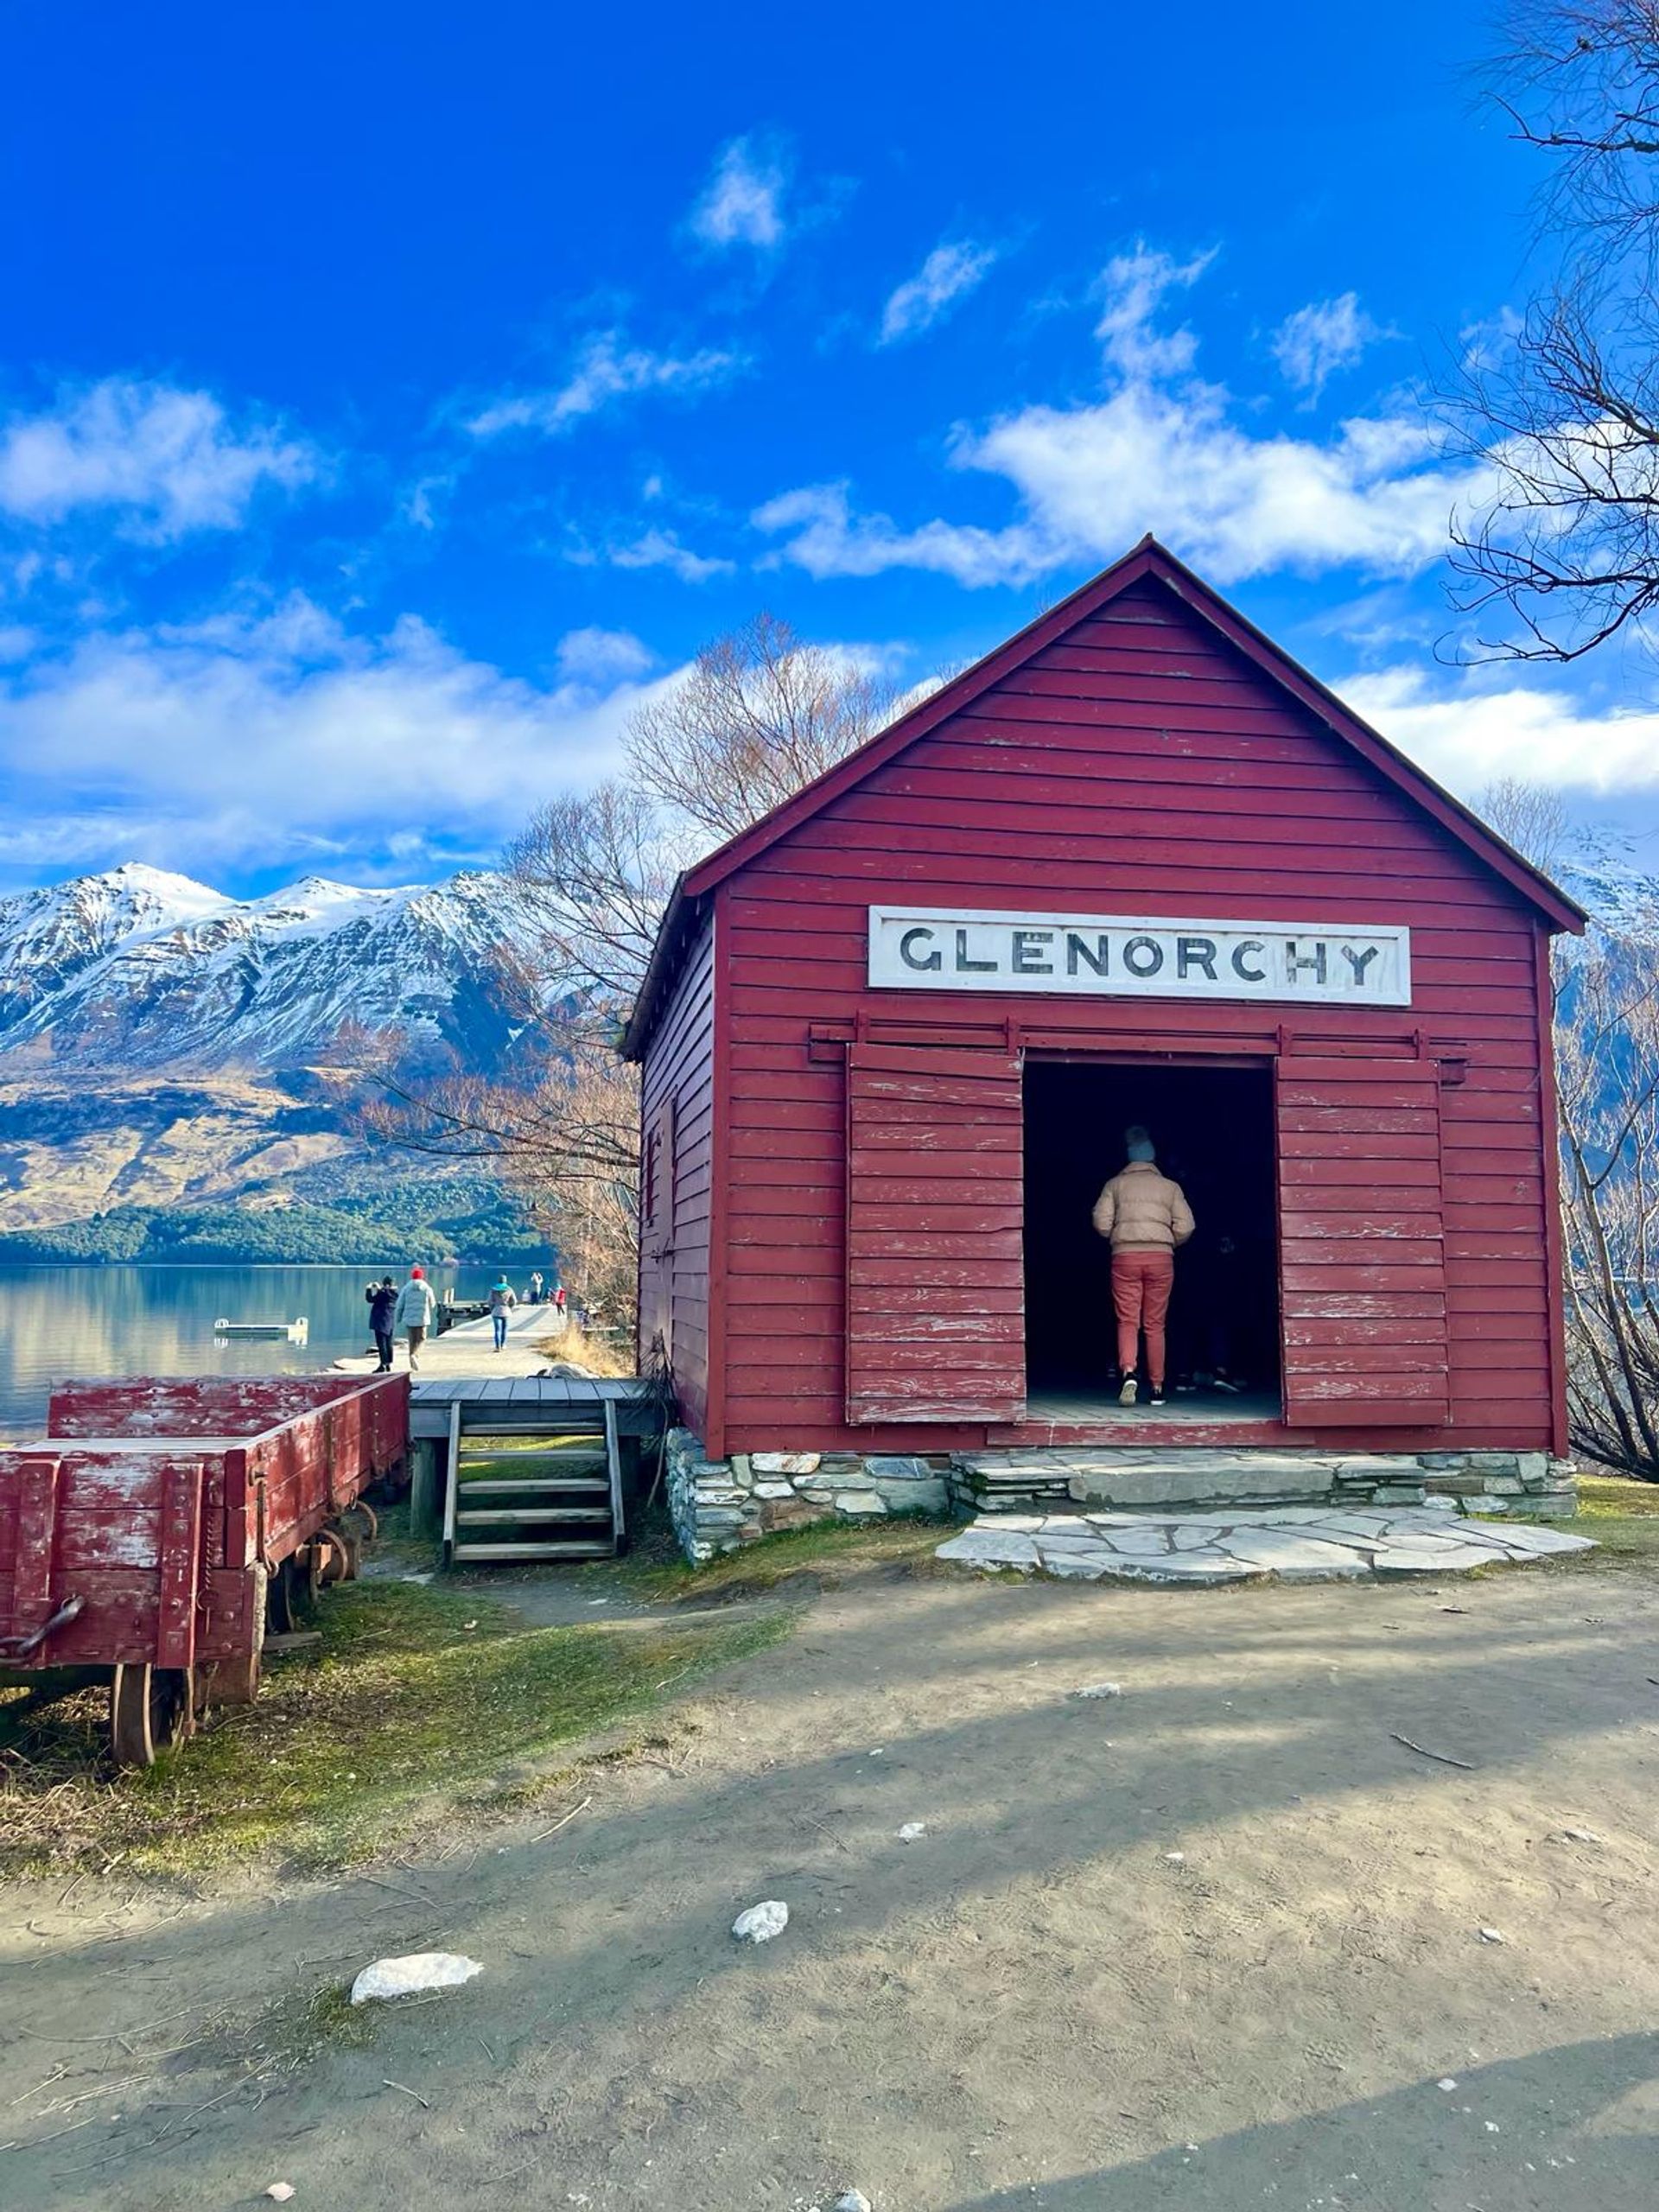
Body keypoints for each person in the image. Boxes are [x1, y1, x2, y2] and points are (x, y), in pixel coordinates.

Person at [1091, 1124, 1195, 1408]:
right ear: (1152, 1158)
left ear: (1129, 1157)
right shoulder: (1170, 1187)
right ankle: (1158, 1388)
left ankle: (1128, 1373)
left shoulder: (1114, 1185)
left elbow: (1101, 1224)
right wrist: (1166, 1242)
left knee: (1128, 1320)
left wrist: (1120, 1237)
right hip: (1161, 1259)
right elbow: (1187, 1226)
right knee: (1155, 1324)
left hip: (1125, 1258)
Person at [392, 1265, 438, 1371]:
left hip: (409, 1319)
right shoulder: (427, 1288)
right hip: (422, 1318)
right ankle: (415, 1356)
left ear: (412, 1277)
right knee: (421, 1339)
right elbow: (433, 1303)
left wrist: (398, 1318)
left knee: (412, 1341)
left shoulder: (406, 1288)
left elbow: (400, 1305)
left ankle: (412, 1363)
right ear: (422, 1277)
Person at [365, 1275, 397, 1373]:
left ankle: (383, 1365)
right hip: (390, 1322)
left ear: (386, 1284)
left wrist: (368, 1289)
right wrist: (380, 1289)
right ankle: (388, 1364)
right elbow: (386, 1293)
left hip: (380, 1322)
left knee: (381, 1344)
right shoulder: (395, 1294)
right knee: (388, 1343)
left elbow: (370, 1299)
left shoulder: (383, 1294)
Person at [487, 1273, 518, 1351]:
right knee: (504, 1329)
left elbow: (490, 1301)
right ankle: (503, 1344)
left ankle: (498, 1346)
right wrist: (510, 1307)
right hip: (506, 1310)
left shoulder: (493, 1289)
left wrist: (492, 1308)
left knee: (497, 1330)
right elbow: (514, 1301)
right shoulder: (509, 1289)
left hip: (496, 1310)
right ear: (505, 1281)